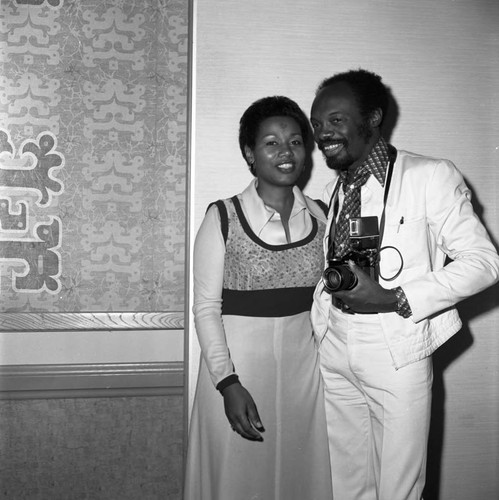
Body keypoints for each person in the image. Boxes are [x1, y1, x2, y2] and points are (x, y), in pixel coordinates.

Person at [309, 68, 499, 500]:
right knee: (348, 483)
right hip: (336, 344)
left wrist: (394, 297)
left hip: (394, 347)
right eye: (318, 124)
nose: (323, 134)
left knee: (399, 489)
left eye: (336, 120)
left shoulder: (428, 175)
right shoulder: (338, 188)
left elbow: (485, 263)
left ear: (373, 117)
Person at [184, 96, 333, 500]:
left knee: (302, 476)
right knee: (237, 480)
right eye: (271, 142)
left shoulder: (323, 216)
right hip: (237, 374)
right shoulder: (223, 217)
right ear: (250, 153)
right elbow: (205, 309)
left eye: (296, 141)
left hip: (307, 375)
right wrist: (228, 383)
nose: (286, 152)